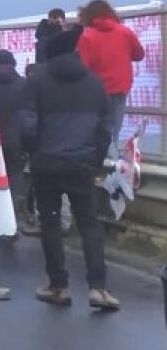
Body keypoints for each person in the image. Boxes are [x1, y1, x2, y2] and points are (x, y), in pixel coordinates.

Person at [20, 26, 119, 310]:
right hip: (82, 165)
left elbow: (27, 125)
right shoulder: (95, 84)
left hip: (47, 163)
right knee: (89, 224)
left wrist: (33, 150)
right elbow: (105, 129)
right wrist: (95, 160)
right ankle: (98, 288)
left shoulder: (37, 82)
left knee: (50, 222)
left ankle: (58, 286)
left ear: (48, 55)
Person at [77, 0, 145, 157]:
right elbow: (139, 55)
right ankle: (113, 157)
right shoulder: (125, 32)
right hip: (121, 85)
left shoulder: (87, 37)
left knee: (97, 125)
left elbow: (82, 67)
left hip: (96, 89)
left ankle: (100, 159)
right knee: (115, 124)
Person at [0, 49, 28, 238]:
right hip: (16, 144)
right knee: (13, 184)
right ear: (13, 64)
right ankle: (9, 228)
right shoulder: (24, 85)